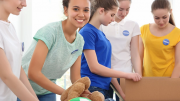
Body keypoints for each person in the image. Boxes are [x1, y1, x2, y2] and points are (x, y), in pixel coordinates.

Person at [18, 0, 91, 101]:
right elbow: (33, 73)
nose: (81, 14)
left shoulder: (80, 41)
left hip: (47, 91)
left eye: (86, 10)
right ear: (66, 10)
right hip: (22, 87)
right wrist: (66, 93)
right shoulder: (50, 32)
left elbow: (75, 77)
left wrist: (82, 92)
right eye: (76, 9)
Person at [79, 0, 142, 99]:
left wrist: (122, 94)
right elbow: (94, 67)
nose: (113, 19)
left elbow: (107, 68)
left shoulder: (101, 34)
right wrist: (127, 75)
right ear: (101, 11)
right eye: (112, 15)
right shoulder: (87, 32)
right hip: (92, 88)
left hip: (104, 87)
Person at [100, 0, 142, 100]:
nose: (124, 13)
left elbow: (135, 54)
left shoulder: (133, 25)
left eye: (127, 9)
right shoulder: (103, 24)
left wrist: (139, 75)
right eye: (120, 9)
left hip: (126, 75)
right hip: (105, 74)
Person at [0, 0, 39, 101]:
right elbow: (6, 76)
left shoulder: (10, 27)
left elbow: (18, 67)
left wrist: (34, 97)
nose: (24, 4)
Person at [139, 0, 180, 78]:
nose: (161, 21)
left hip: (169, 79)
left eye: (164, 17)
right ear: (152, 14)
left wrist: (171, 84)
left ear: (170, 11)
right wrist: (140, 79)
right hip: (147, 79)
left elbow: (179, 63)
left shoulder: (178, 33)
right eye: (157, 18)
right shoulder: (143, 30)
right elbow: (139, 58)